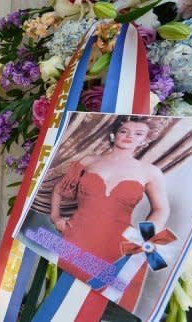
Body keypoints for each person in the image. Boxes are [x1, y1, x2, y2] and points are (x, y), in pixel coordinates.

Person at [49, 116, 170, 312]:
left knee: (101, 304)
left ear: (145, 140)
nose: (130, 137)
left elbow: (161, 208)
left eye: (138, 134)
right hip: (77, 236)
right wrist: (55, 218)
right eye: (124, 131)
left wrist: (145, 235)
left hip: (117, 244)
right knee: (65, 298)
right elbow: (59, 189)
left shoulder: (150, 171)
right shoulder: (88, 161)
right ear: (114, 134)